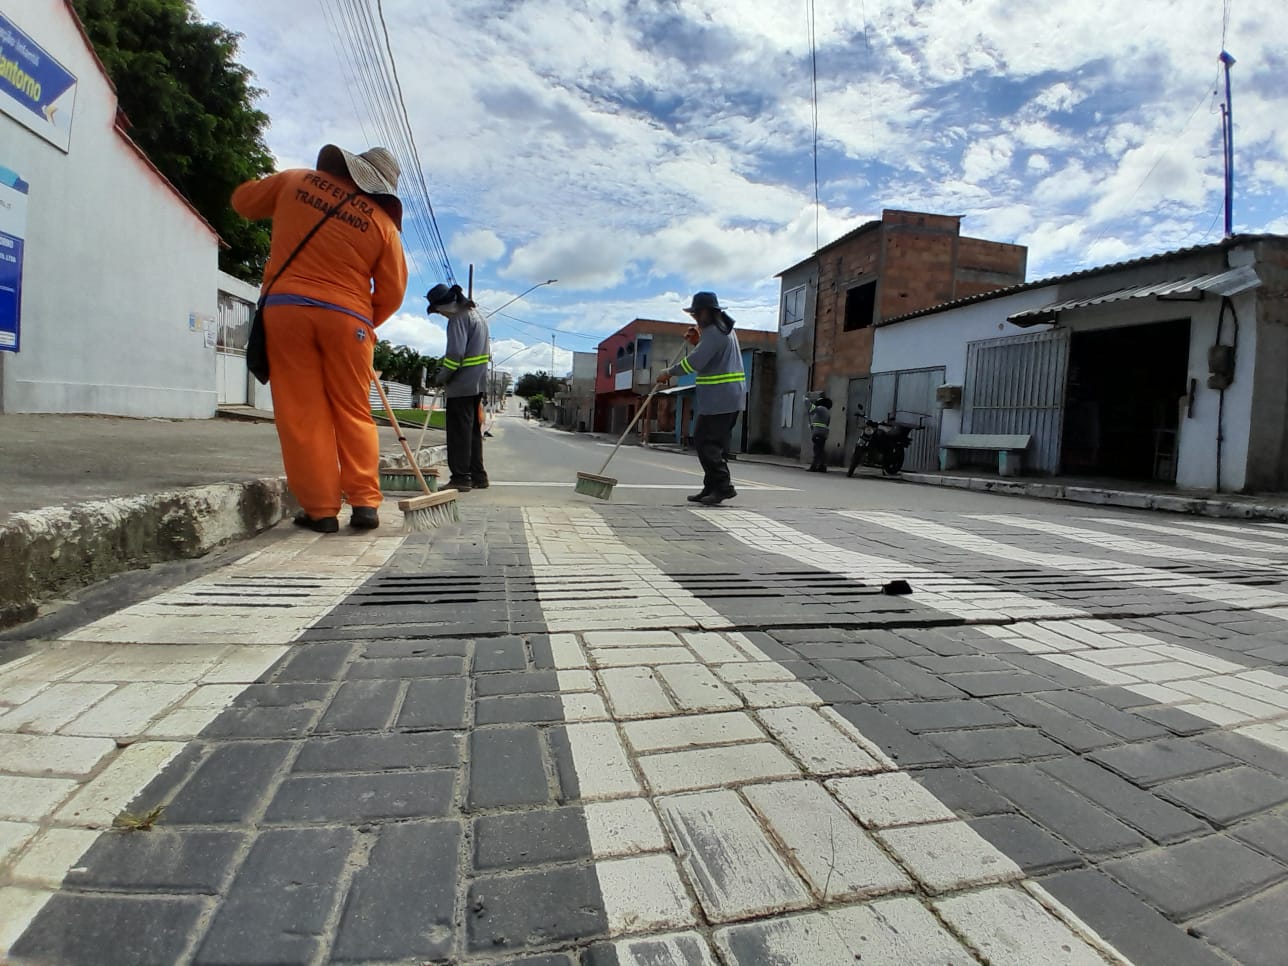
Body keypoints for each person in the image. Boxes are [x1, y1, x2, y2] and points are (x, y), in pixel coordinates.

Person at [231, 145, 408, 533]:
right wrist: (361, 323)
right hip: (350, 322)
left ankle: (321, 510)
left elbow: (244, 202)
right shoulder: (384, 226)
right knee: (354, 412)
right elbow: (393, 292)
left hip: (287, 311)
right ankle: (365, 503)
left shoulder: (295, 181)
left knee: (303, 413)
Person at [656, 291, 744, 505]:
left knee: (706, 442)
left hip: (720, 398)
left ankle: (723, 486)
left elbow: (695, 362)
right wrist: (698, 341)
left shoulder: (714, 332)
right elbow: (710, 356)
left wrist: (669, 372)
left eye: (696, 314)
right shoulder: (724, 329)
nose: (694, 318)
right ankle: (711, 487)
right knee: (713, 444)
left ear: (706, 312)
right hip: (726, 397)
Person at [428, 283, 490, 491]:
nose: (441, 315)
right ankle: (478, 476)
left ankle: (461, 478)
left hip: (461, 385)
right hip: (477, 383)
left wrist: (441, 377)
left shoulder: (458, 319)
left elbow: (455, 355)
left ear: (444, 305)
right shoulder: (477, 316)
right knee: (472, 432)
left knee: (458, 434)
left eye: (438, 311)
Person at [807, 394, 832, 471]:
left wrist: (806, 400)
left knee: (817, 450)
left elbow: (811, 408)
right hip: (823, 433)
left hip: (818, 433)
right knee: (821, 450)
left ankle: (814, 467)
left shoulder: (821, 408)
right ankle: (822, 466)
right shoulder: (827, 412)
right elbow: (826, 423)